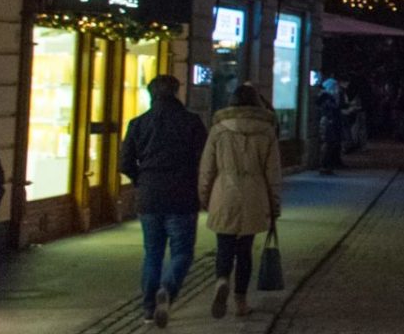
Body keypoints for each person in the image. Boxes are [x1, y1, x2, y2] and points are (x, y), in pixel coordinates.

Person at [121, 75, 208, 327]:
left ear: (151, 94)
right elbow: (204, 158)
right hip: (182, 195)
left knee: (152, 253)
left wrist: (141, 180)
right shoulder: (191, 122)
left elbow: (125, 162)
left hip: (149, 196)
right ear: (177, 92)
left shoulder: (138, 123)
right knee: (182, 252)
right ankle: (167, 290)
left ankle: (149, 308)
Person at [199, 84, 283, 319]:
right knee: (245, 250)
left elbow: (207, 168)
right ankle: (240, 301)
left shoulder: (218, 130)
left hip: (224, 191)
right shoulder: (267, 130)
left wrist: (205, 196)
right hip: (254, 194)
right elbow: (273, 173)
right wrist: (275, 204)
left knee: (223, 245)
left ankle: (222, 280)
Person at [317, 79, 345, 175]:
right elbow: (332, 109)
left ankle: (326, 165)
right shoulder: (327, 98)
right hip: (328, 122)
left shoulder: (326, 97)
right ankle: (324, 165)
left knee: (330, 144)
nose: (337, 90)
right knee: (328, 144)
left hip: (329, 122)